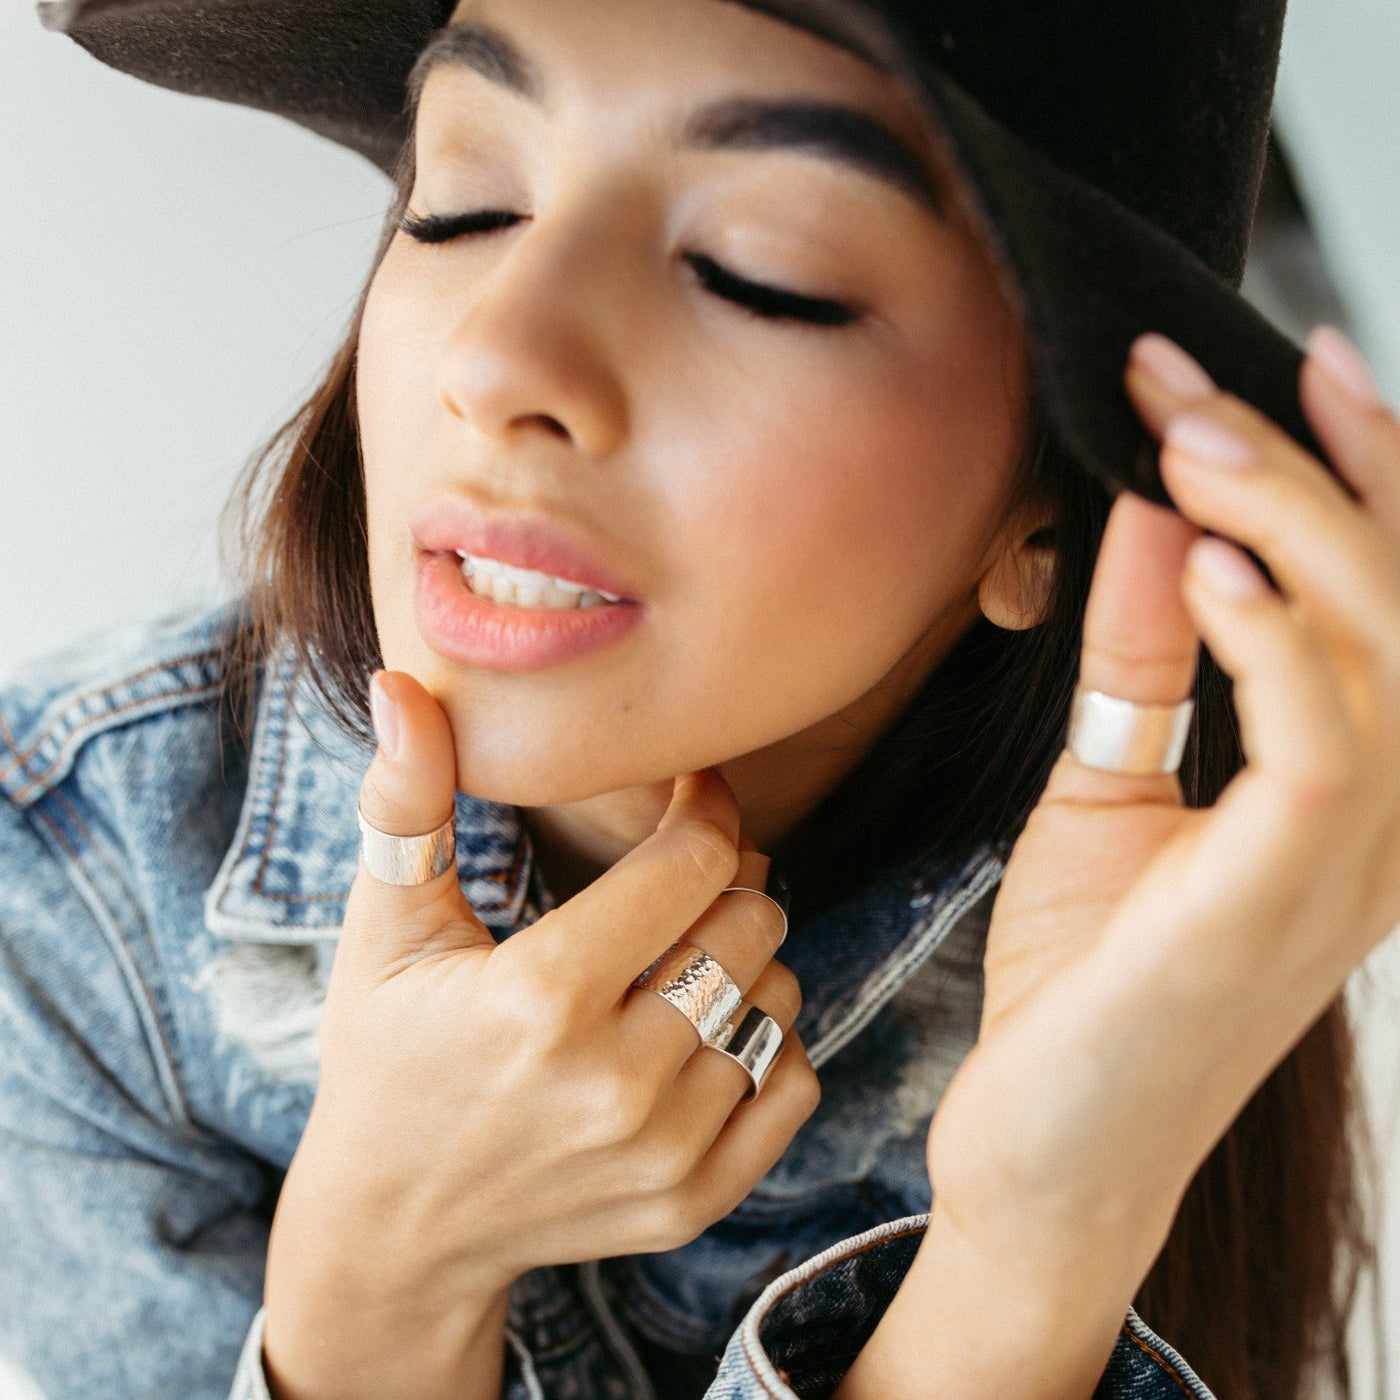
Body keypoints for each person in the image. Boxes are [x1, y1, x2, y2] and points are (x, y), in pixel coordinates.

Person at [2, 0, 1397, 1397]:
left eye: (756, 272)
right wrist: (377, 1263)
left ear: (1043, 520)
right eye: (466, 205)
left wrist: (1038, 1243)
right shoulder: (66, 886)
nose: (497, 361)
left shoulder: (1190, 936)